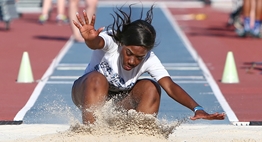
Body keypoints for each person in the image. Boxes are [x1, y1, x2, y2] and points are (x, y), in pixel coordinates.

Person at [71, 4, 226, 124]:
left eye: (139, 57)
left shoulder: (149, 59)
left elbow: (170, 86)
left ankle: (140, 132)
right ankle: (91, 131)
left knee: (151, 87)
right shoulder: (112, 41)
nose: (132, 61)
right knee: (98, 79)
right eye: (129, 53)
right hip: (86, 92)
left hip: (119, 102)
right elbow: (96, 43)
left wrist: (198, 109)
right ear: (122, 44)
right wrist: (89, 39)